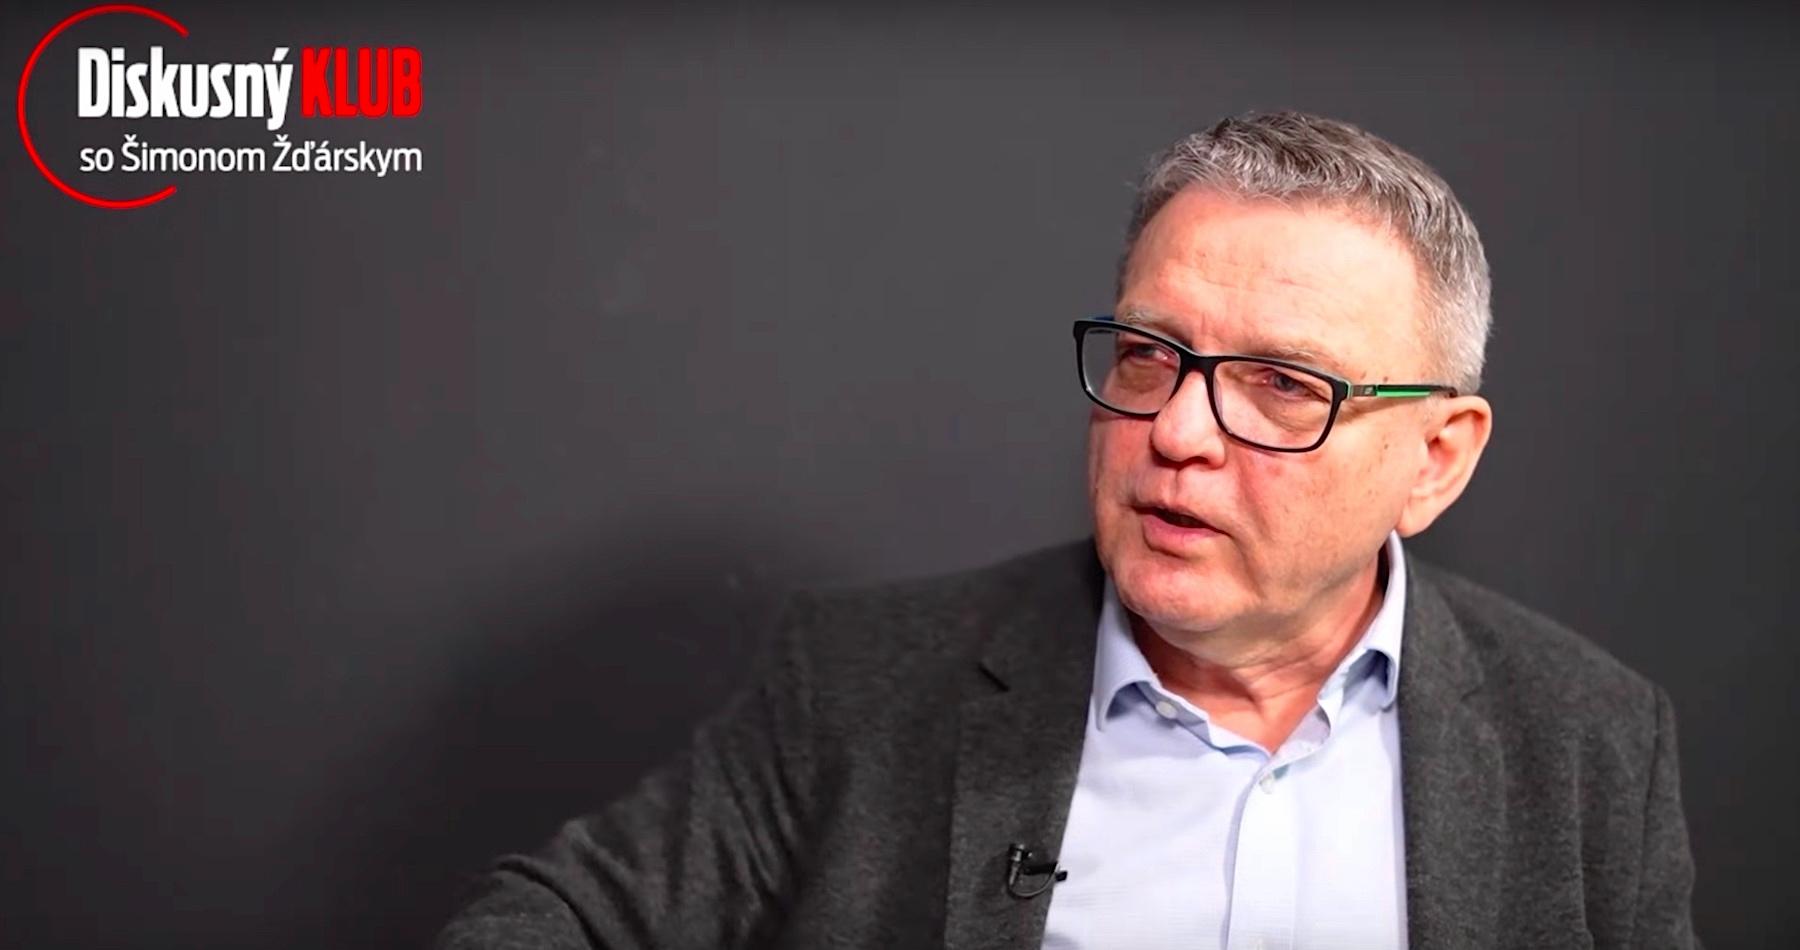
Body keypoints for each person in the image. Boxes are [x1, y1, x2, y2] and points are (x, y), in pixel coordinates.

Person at [435, 111, 1699, 949]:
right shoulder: (860, 686)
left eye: (1280, 384)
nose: (1179, 430)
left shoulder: (1590, 738)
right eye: (1149, 353)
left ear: (1436, 458)